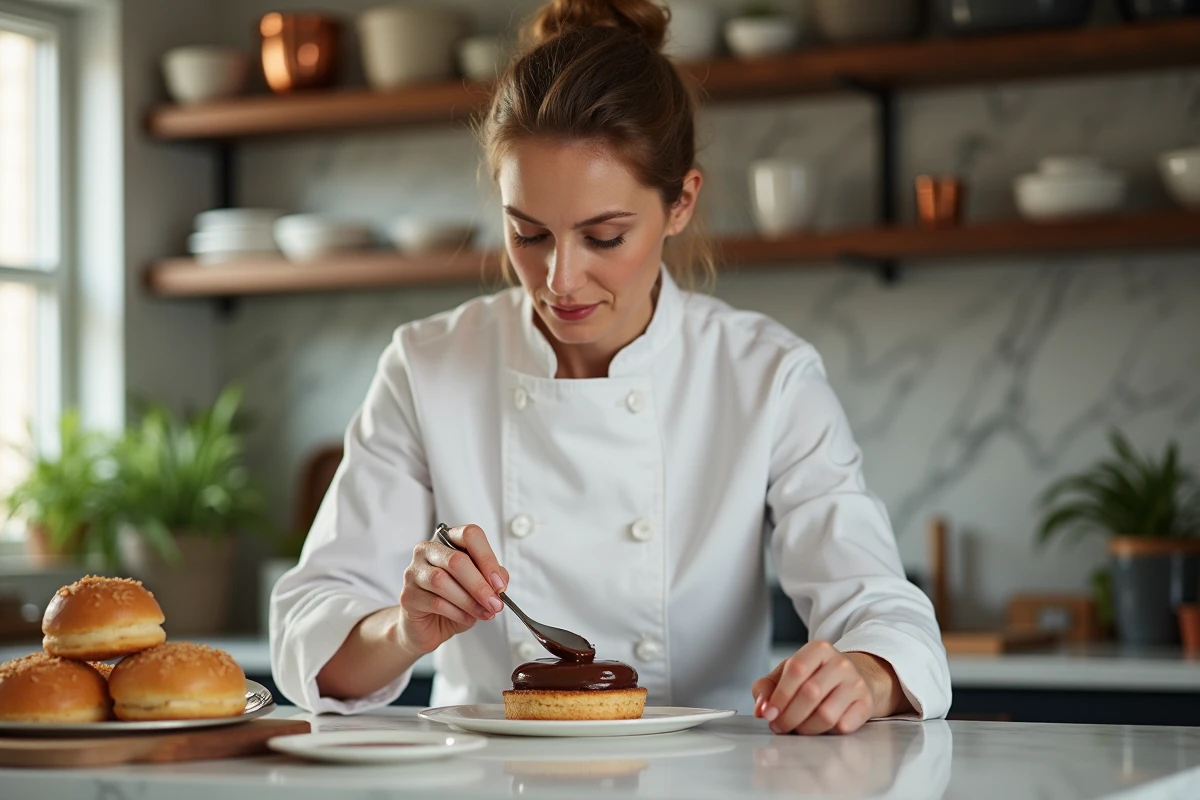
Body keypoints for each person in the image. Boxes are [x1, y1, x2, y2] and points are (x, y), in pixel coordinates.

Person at [270, 0, 951, 736]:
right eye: (528, 233)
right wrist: (406, 630)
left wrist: (865, 675)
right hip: (484, 783)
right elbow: (311, 635)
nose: (560, 279)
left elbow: (880, 609)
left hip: (706, 783)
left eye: (604, 236)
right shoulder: (430, 364)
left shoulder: (766, 375)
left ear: (681, 202)